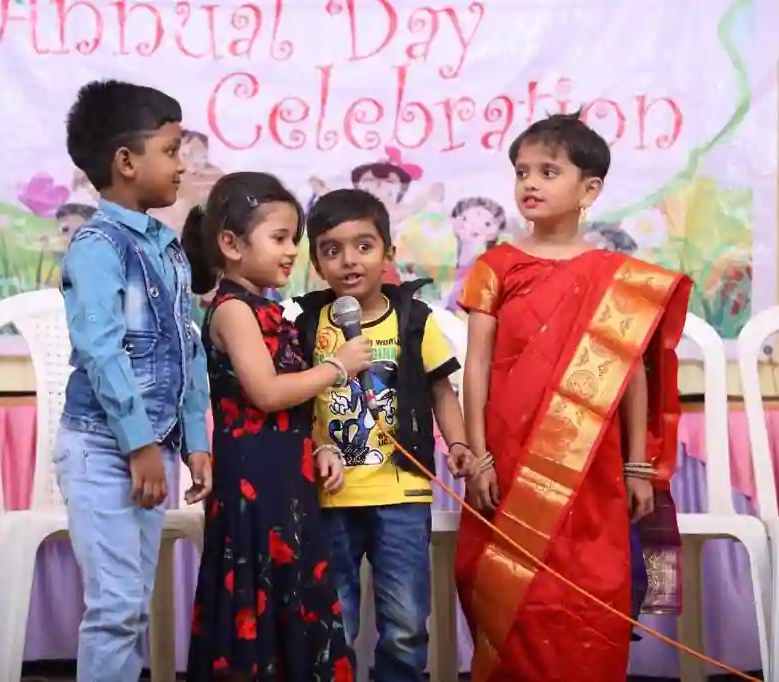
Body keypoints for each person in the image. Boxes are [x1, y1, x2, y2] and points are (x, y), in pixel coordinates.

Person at [455, 112, 692, 681]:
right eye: (521, 172)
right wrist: (479, 456)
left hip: (592, 471)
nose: (529, 184)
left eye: (548, 171)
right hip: (509, 463)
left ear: (589, 189)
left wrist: (637, 467)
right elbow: (477, 366)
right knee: (512, 595)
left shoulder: (619, 279)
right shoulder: (496, 267)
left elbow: (631, 376)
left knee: (592, 590)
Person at [54, 80, 212, 682]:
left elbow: (186, 348)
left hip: (150, 450)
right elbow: (101, 352)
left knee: (133, 608)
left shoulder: (167, 250)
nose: (181, 165)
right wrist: (140, 443)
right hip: (104, 449)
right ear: (126, 162)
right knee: (116, 610)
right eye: (171, 151)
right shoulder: (97, 247)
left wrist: (195, 441)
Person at [180, 172, 361, 681]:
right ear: (231, 244)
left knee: (296, 595)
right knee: (256, 597)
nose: (291, 251)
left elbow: (295, 404)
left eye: (293, 240)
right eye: (279, 238)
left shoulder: (268, 310)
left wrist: (321, 445)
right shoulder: (234, 311)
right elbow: (266, 393)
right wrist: (338, 367)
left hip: (289, 483)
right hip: (254, 490)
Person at [293, 188, 475, 682]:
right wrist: (319, 445)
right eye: (332, 250)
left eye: (363, 246)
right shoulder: (307, 324)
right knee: (335, 619)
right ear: (317, 263)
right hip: (331, 496)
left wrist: (458, 443)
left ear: (388, 253)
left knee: (405, 623)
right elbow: (298, 400)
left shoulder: (414, 320)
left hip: (402, 495)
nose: (349, 261)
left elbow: (441, 391)